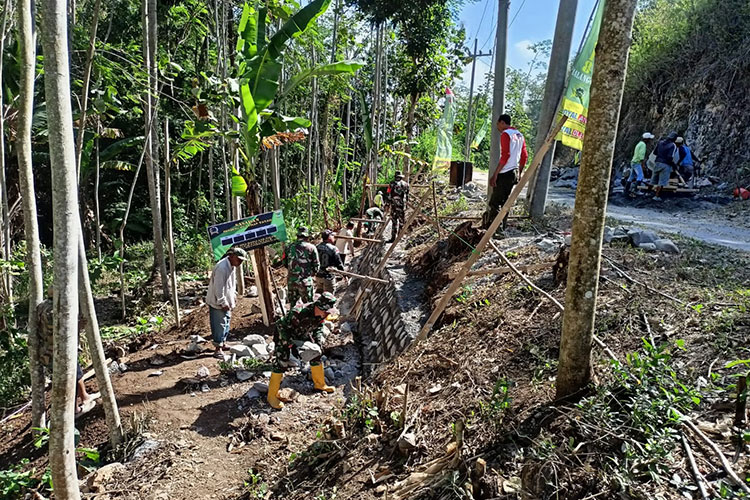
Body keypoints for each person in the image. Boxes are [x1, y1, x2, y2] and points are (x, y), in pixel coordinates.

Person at [268, 292, 338, 409]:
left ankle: (320, 384)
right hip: (284, 334)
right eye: (326, 312)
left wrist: (317, 342)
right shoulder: (298, 313)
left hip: (302, 333)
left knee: (316, 354)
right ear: (319, 308)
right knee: (281, 363)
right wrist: (291, 345)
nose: (327, 315)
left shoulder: (320, 315)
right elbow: (283, 328)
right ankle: (271, 396)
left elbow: (318, 328)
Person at [37, 287, 98, 415]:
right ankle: (75, 409)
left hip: (50, 350)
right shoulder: (54, 311)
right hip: (57, 352)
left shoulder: (43, 306)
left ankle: (85, 396)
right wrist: (78, 327)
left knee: (77, 372)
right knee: (69, 377)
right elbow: (60, 333)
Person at [486, 114, 528, 231]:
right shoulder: (519, 135)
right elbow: (524, 156)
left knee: (495, 203)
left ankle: (495, 230)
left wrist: (495, 175)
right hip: (513, 172)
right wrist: (519, 173)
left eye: (498, 124)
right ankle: (502, 227)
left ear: (502, 123)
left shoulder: (506, 134)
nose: (498, 127)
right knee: (505, 202)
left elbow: (505, 155)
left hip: (505, 173)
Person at [206, 247, 247, 357]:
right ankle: (218, 348)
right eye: (239, 259)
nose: (240, 262)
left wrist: (233, 296)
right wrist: (222, 302)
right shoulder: (222, 268)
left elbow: (231, 284)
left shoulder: (231, 266)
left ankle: (223, 343)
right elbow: (218, 287)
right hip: (218, 302)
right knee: (219, 324)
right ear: (232, 256)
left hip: (226, 300)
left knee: (226, 322)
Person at [284, 226, 320, 307]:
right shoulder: (311, 247)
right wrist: (312, 273)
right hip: (305, 281)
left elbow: (285, 263)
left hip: (292, 281)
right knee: (309, 305)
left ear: (297, 236)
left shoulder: (289, 247)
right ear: (307, 236)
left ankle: (293, 319)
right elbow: (316, 265)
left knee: (293, 306)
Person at [650, 131, 680, 201]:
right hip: (665, 165)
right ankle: (657, 196)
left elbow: (655, 152)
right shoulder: (673, 145)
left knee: (653, 180)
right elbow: (670, 157)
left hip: (657, 162)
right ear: (675, 139)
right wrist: (674, 165)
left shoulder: (660, 142)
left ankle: (648, 193)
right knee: (662, 182)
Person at [625, 132, 654, 197]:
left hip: (633, 161)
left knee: (631, 176)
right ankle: (636, 190)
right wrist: (643, 165)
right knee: (640, 176)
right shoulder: (643, 145)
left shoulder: (639, 143)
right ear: (647, 139)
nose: (650, 140)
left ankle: (626, 189)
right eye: (649, 139)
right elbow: (641, 155)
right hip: (637, 162)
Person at [386, 171, 409, 242]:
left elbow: (388, 195)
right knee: (401, 222)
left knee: (394, 222)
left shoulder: (391, 184)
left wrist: (387, 205)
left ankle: (393, 238)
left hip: (393, 206)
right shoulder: (406, 185)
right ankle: (400, 237)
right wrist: (406, 205)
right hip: (402, 207)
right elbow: (407, 197)